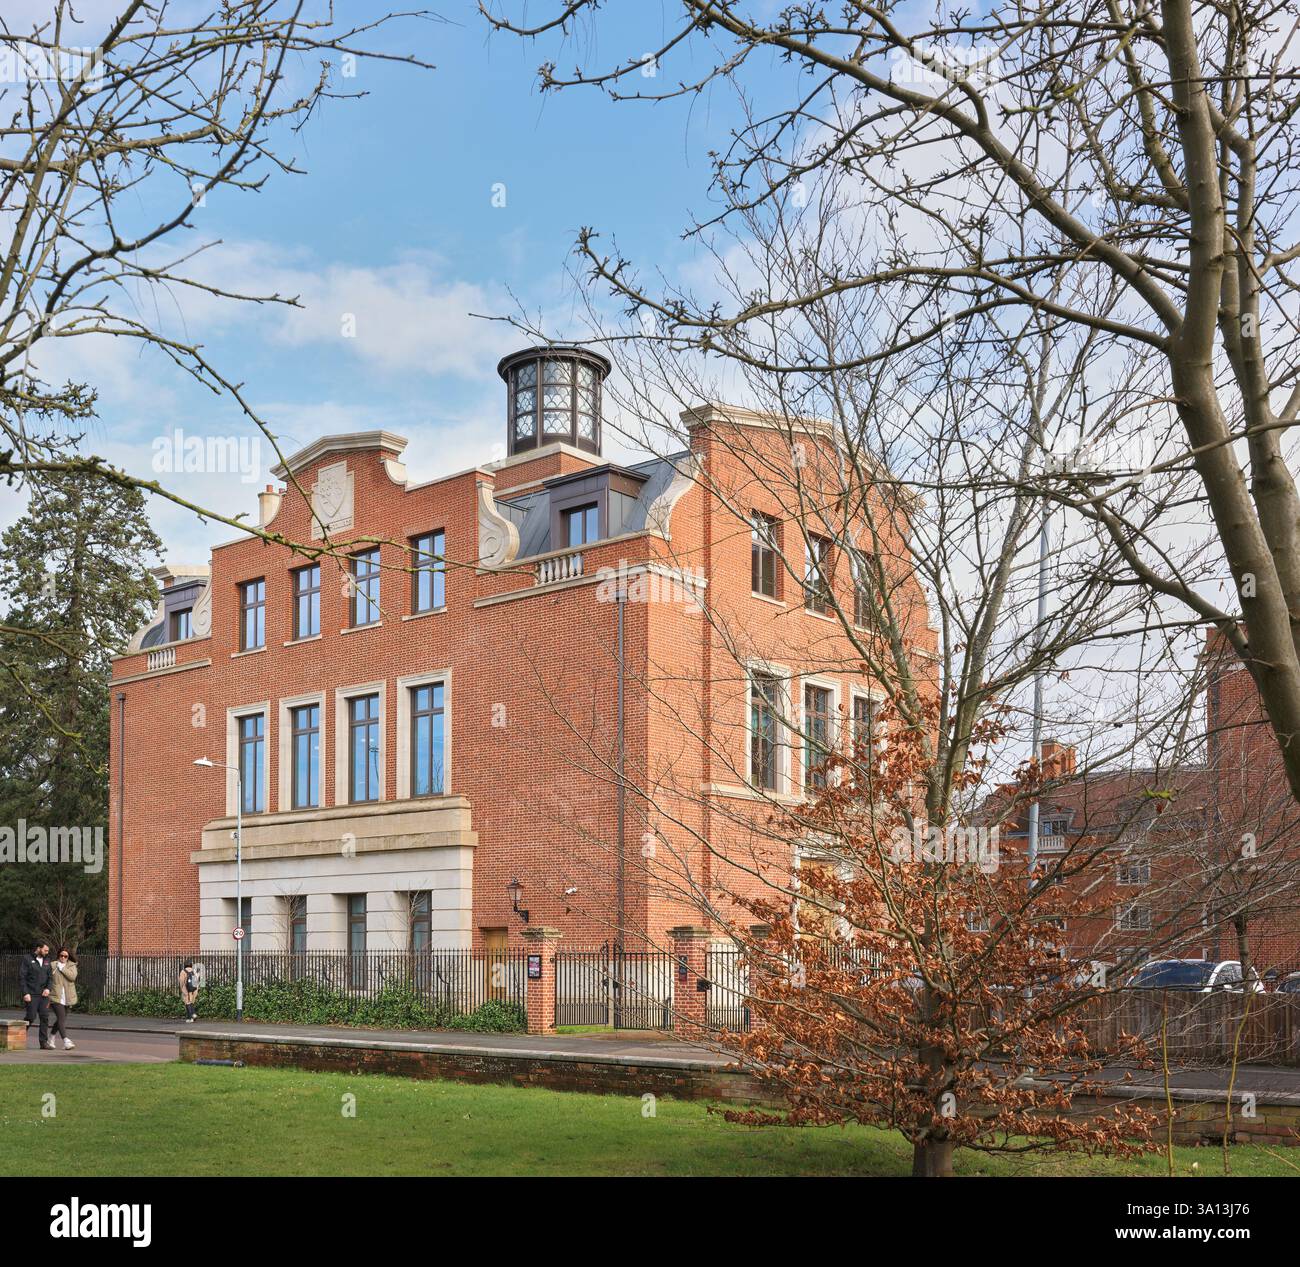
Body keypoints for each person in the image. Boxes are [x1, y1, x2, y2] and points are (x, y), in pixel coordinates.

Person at [20, 942, 53, 1050]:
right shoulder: (27, 959)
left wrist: (48, 988)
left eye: (48, 951)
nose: (47, 952)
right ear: (38, 948)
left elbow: (50, 978)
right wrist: (25, 993)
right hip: (31, 994)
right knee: (31, 1017)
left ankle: (43, 1043)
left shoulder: (48, 960)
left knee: (44, 1017)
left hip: (43, 995)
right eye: (45, 950)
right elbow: (22, 977)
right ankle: (18, 1036)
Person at [49, 948, 78, 1050]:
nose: (63, 958)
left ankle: (51, 1038)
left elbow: (72, 977)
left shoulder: (72, 966)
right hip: (55, 996)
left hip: (67, 997)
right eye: (61, 955)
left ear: (68, 957)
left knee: (61, 1020)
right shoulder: (52, 965)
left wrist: (62, 968)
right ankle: (66, 1041)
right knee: (61, 1018)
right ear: (58, 955)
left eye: (65, 956)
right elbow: (48, 978)